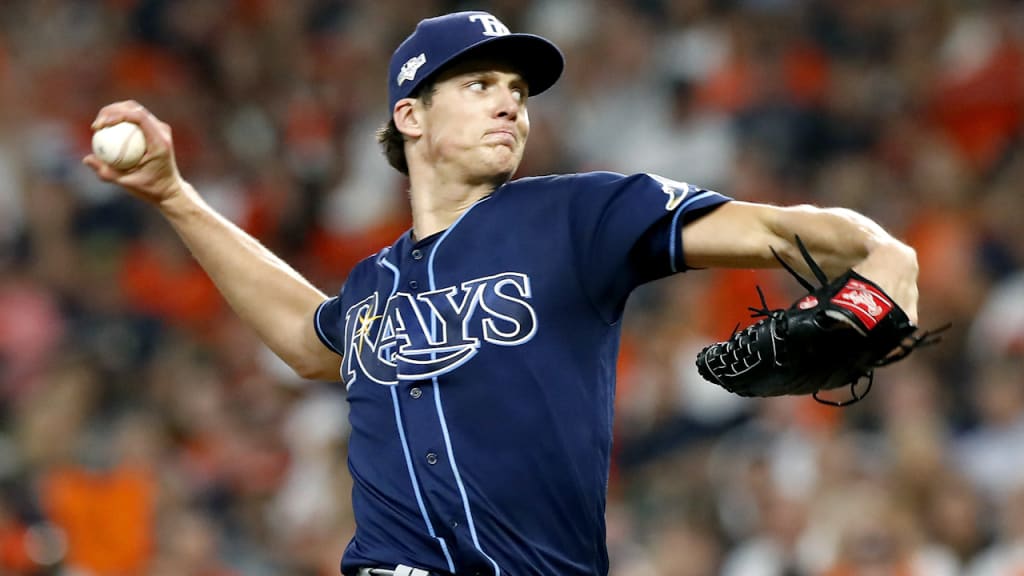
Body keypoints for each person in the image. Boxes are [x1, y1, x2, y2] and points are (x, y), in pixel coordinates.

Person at [84, 10, 920, 576]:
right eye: (480, 85)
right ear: (410, 116)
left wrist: (886, 259)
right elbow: (309, 340)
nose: (510, 106)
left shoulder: (577, 215)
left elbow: (779, 230)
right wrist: (173, 197)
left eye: (517, 93)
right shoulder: (375, 283)